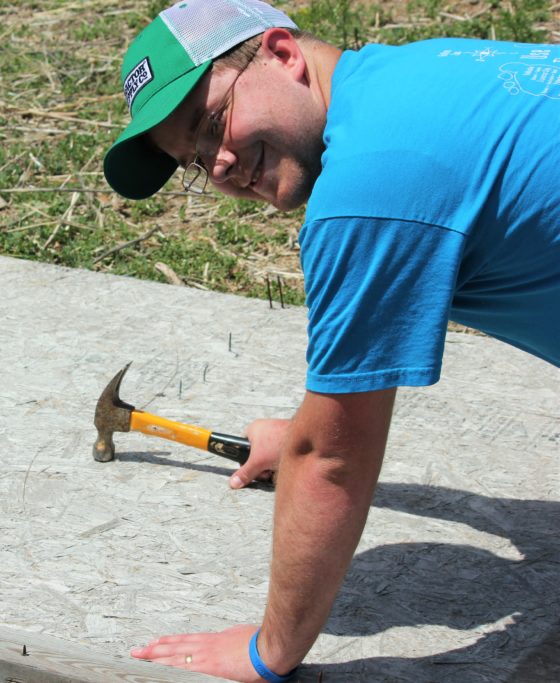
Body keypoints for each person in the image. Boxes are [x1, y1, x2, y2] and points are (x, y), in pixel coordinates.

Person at [102, 0, 560, 680]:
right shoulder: (414, 74)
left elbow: (335, 461)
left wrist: (270, 650)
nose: (220, 166)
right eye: (195, 160)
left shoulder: (370, 188)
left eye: (211, 124)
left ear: (282, 54)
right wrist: (305, 431)